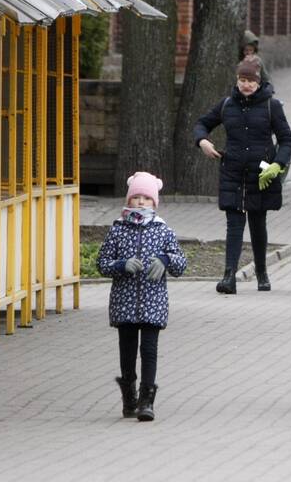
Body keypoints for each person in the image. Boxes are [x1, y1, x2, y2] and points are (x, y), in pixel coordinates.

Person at [194, 58, 291, 294]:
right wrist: (203, 141)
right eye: (242, 80)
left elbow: (286, 139)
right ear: (237, 80)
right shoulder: (227, 104)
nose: (246, 85)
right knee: (234, 224)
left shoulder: (272, 105)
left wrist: (278, 164)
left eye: (251, 80)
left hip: (261, 173)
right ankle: (229, 276)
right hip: (233, 172)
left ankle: (261, 271)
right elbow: (202, 124)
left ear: (259, 82)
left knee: (258, 223)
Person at [97, 172, 187, 422]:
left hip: (153, 303)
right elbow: (102, 263)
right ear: (128, 199)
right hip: (124, 303)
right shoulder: (118, 230)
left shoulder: (163, 230)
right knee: (127, 352)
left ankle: (147, 400)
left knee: (149, 351)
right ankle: (129, 396)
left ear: (154, 202)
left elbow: (181, 264)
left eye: (146, 198)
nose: (140, 202)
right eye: (136, 197)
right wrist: (121, 265)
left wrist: (166, 260)